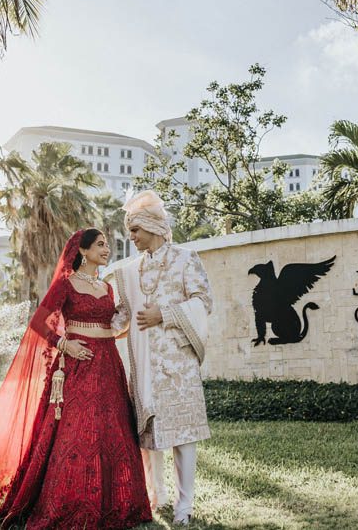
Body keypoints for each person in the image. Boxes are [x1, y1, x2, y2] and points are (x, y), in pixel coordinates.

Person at [0, 229, 151, 530]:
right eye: (100, 245)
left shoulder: (107, 288)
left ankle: (117, 505)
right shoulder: (66, 284)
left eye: (107, 245)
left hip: (109, 364)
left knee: (113, 432)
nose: (106, 249)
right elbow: (38, 321)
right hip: (77, 367)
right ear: (82, 251)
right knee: (77, 435)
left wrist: (128, 323)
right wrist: (64, 344)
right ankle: (71, 502)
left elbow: (109, 327)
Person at [111, 191, 212, 526]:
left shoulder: (185, 259)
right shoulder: (127, 273)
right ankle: (158, 496)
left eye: (135, 231)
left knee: (183, 437)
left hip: (177, 365)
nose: (132, 237)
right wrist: (84, 320)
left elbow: (203, 301)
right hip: (143, 366)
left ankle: (185, 505)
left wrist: (164, 315)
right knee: (148, 435)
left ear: (151, 226)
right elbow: (120, 318)